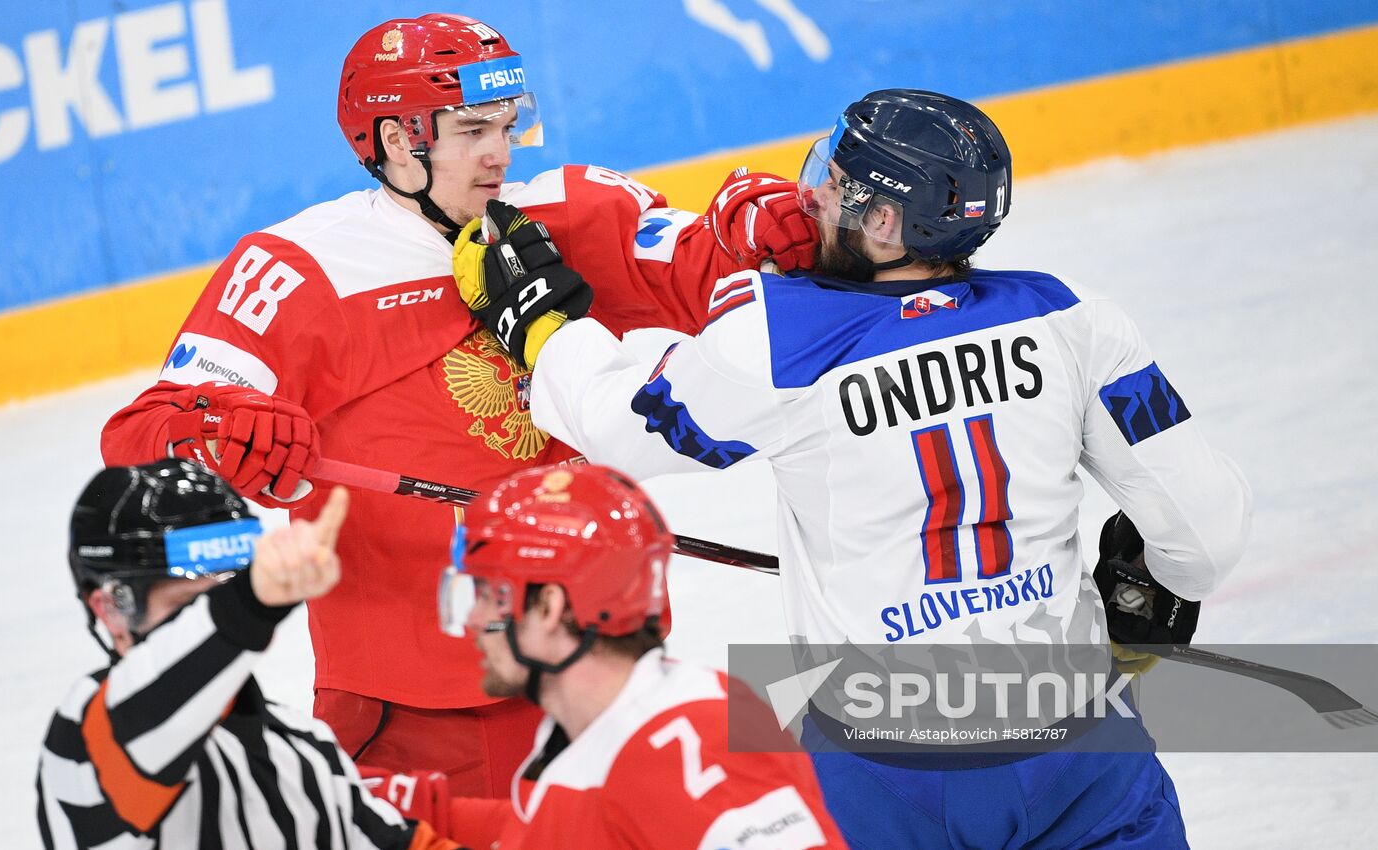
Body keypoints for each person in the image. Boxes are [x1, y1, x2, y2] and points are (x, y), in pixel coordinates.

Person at [456, 89, 1252, 847]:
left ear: (883, 220)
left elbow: (621, 424)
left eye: (835, 186)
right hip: (1082, 751)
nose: (811, 198)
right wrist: (1143, 589)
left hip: (885, 770)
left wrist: (543, 324)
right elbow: (1204, 536)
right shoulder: (1070, 315)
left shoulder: (780, 340)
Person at [98, 13, 817, 795]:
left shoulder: (567, 212)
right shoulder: (301, 269)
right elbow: (143, 437)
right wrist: (216, 434)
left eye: (508, 125)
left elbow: (701, 263)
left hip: (603, 678)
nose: (500, 153)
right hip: (417, 714)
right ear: (397, 139)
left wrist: (756, 228)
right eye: (472, 129)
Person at [364, 463, 847, 849]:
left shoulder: (691, 740)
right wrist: (388, 799)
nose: (471, 621)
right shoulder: (592, 734)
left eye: (490, 595)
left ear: (550, 607)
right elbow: (562, 827)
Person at [37, 459, 460, 849]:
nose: (213, 609)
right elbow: (144, 710)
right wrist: (254, 598)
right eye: (188, 602)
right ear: (110, 609)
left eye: (227, 583)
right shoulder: (84, 740)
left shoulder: (301, 747)